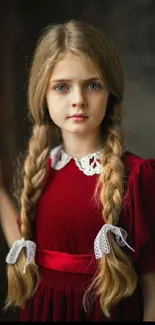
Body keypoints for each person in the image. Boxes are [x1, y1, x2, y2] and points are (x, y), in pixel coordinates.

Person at [0, 19, 155, 322]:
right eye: (61, 87)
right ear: (42, 97)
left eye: (92, 85)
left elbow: (152, 281)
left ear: (111, 92)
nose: (78, 100)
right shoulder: (41, 170)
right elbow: (22, 244)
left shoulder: (137, 176)